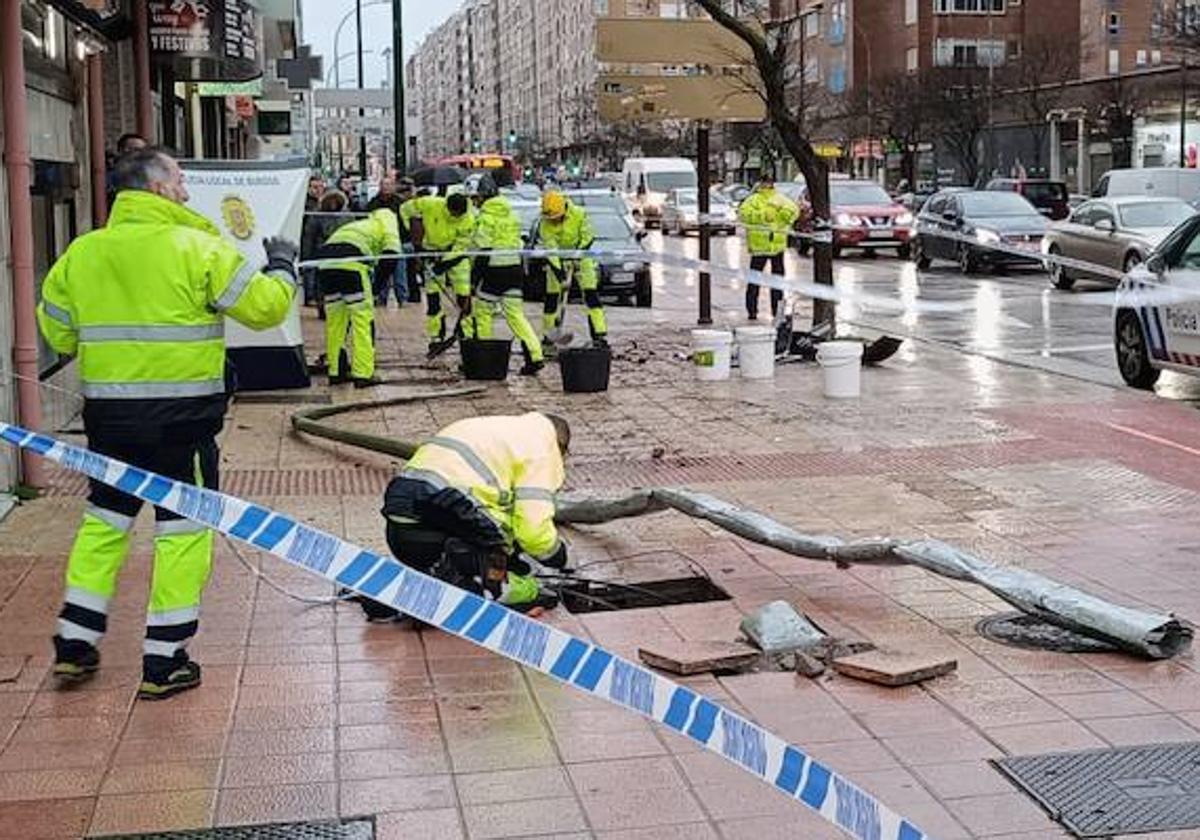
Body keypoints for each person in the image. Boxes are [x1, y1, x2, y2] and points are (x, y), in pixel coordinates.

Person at [37, 147, 300, 699]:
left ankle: (74, 644)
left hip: (109, 423)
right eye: (179, 180)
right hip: (184, 426)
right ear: (157, 189)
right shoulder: (199, 248)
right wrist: (282, 265)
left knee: (104, 525)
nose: (185, 189)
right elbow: (265, 309)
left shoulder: (84, 253)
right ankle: (165, 660)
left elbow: (58, 334)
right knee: (181, 535)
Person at [359, 412, 570, 621]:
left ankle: (404, 590)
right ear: (561, 449)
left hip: (402, 526)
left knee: (487, 540)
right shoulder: (543, 449)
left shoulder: (495, 428)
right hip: (446, 510)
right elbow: (532, 528)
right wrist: (557, 555)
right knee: (497, 574)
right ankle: (485, 589)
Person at [316, 203, 401, 388]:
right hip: (351, 266)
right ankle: (363, 374)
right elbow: (391, 257)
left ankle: (336, 371)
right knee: (362, 321)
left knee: (336, 322)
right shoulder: (389, 223)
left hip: (324, 265)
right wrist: (377, 288)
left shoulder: (363, 225)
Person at [469, 175, 545, 376]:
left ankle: (483, 356)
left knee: (483, 311)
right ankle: (535, 355)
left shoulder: (485, 218)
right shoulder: (512, 215)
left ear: (483, 197)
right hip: (514, 270)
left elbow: (483, 250)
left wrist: (474, 280)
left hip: (494, 272)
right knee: (516, 315)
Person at [401, 191, 477, 354]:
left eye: (459, 215)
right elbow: (405, 209)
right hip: (429, 252)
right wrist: (415, 234)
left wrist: (443, 264)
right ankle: (436, 335)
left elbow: (461, 246)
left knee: (464, 295)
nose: (457, 217)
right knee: (433, 296)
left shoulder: (468, 219)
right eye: (454, 214)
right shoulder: (429, 204)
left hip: (455, 257)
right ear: (447, 208)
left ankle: (467, 333)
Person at [537, 191, 607, 351]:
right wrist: (560, 273)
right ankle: (549, 336)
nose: (553, 222)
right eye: (551, 219)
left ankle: (599, 334)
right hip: (558, 261)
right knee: (552, 300)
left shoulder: (579, 214)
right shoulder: (544, 222)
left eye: (556, 218)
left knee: (591, 297)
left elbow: (588, 236)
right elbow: (550, 249)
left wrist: (578, 254)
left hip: (582, 259)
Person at [737, 174, 799, 321]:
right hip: (759, 248)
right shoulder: (753, 200)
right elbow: (744, 214)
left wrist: (784, 214)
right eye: (764, 183)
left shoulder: (780, 199)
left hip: (777, 247)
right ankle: (752, 311)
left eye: (769, 182)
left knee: (777, 282)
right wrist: (763, 215)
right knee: (754, 282)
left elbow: (794, 211)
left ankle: (776, 311)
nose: (766, 185)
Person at [300, 175, 327, 307]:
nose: (318, 190)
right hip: (308, 240)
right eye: (315, 187)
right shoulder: (304, 203)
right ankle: (309, 297)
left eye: (321, 186)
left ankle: (318, 297)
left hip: (322, 241)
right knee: (309, 270)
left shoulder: (325, 201)